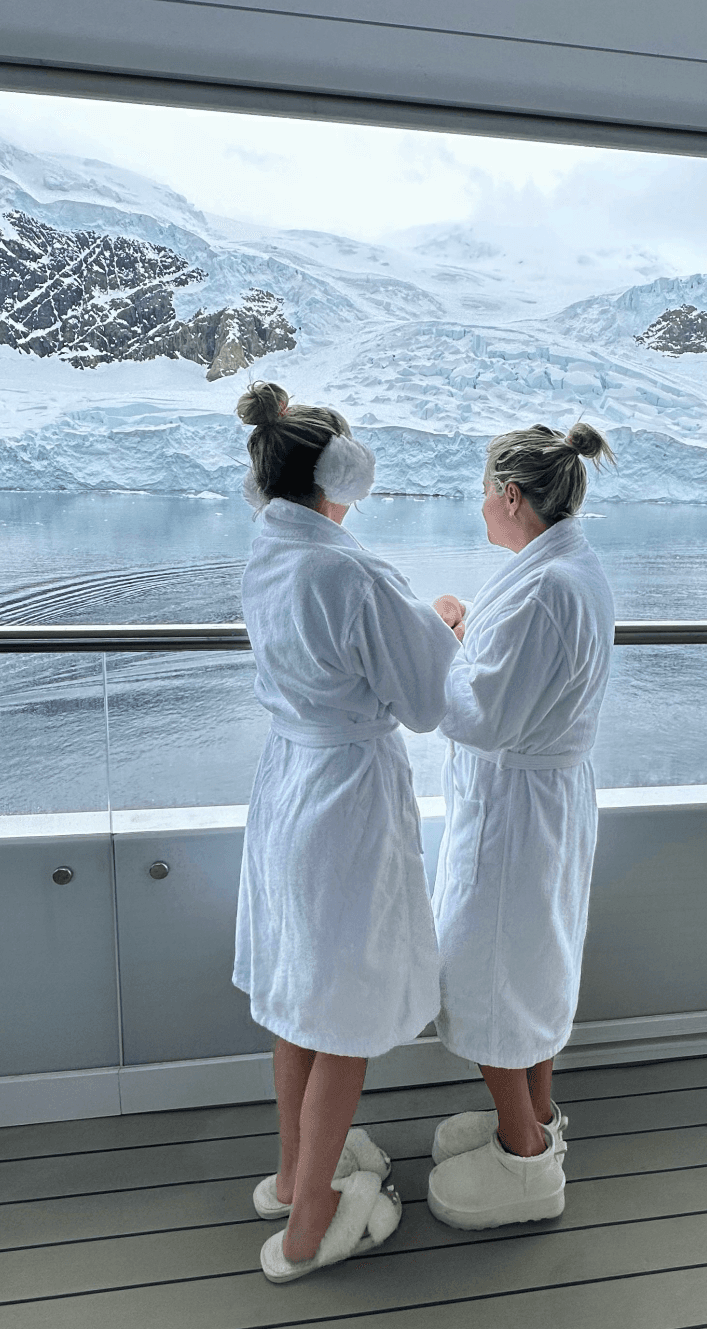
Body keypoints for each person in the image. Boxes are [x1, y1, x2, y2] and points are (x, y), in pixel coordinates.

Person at [231, 381, 460, 1282]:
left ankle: (294, 1175)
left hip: (287, 783)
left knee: (299, 995)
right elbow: (427, 700)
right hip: (346, 801)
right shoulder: (352, 571)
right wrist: (442, 624)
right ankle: (312, 1224)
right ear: (345, 472)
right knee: (347, 1011)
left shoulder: (268, 553)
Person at [426, 421, 616, 1231]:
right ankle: (539, 1116)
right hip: (547, 799)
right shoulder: (565, 568)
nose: (480, 508)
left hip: (516, 809)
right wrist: (476, 634)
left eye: (484, 494)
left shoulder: (544, 589)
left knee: (489, 973)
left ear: (511, 495)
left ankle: (525, 1160)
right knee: (532, 960)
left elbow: (481, 716)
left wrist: (442, 643)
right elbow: (518, 685)